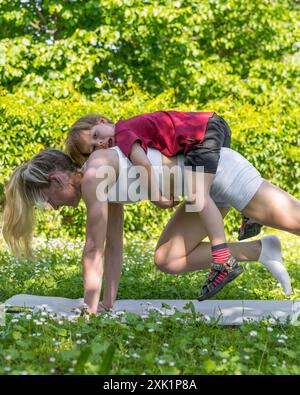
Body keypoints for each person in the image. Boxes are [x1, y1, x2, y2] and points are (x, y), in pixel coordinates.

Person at [2, 145, 296, 314]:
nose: (52, 208)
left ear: (56, 180)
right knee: (167, 258)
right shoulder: (101, 179)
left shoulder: (93, 175)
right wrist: (105, 303)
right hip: (202, 189)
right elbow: (112, 246)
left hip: (219, 172)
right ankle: (262, 250)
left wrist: (87, 311)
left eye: (44, 201)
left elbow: (92, 250)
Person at [65, 112, 262, 300]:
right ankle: (249, 212)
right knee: (210, 185)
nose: (99, 143)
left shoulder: (123, 131)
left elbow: (143, 163)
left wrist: (157, 198)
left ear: (101, 121)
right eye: (92, 148)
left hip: (203, 130)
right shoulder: (126, 134)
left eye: (95, 135)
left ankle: (222, 259)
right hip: (210, 127)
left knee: (197, 194)